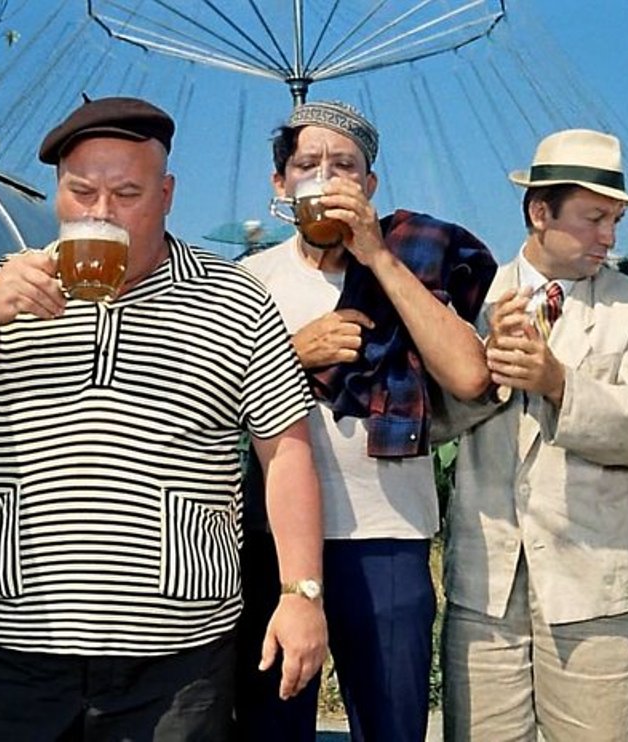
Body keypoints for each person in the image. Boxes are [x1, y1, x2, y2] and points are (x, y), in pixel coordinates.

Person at [0, 95, 327, 741]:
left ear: (166, 195)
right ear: (58, 193)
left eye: (126, 194)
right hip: (15, 647)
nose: (100, 213)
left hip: (176, 660)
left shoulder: (234, 299)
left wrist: (301, 593)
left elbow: (285, 451)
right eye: (82, 191)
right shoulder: (4, 287)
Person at [236, 100, 497, 741]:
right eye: (308, 165)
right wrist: (292, 352)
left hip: (388, 533)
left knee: (392, 726)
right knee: (272, 727)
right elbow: (203, 402)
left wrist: (379, 257)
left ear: (369, 185)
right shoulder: (247, 279)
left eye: (344, 166)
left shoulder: (410, 262)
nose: (325, 178)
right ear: (281, 183)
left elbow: (470, 377)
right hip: (272, 542)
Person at [433, 128, 628, 741]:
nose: (609, 236)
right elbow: (427, 421)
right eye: (594, 218)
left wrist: (560, 384)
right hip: (485, 592)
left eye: (615, 220)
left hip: (597, 593)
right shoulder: (469, 300)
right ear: (539, 212)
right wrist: (484, 372)